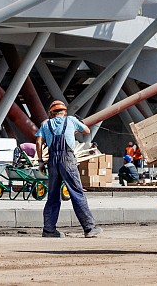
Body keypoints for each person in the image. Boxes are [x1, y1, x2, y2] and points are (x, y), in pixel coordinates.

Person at [35, 100, 101, 238]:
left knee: (53, 196)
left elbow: (39, 141)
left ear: (51, 113)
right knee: (77, 193)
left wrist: (40, 161)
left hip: (52, 160)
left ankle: (49, 230)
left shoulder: (45, 124)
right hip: (68, 160)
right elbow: (87, 130)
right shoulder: (70, 120)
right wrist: (75, 128)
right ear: (64, 111)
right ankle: (89, 228)